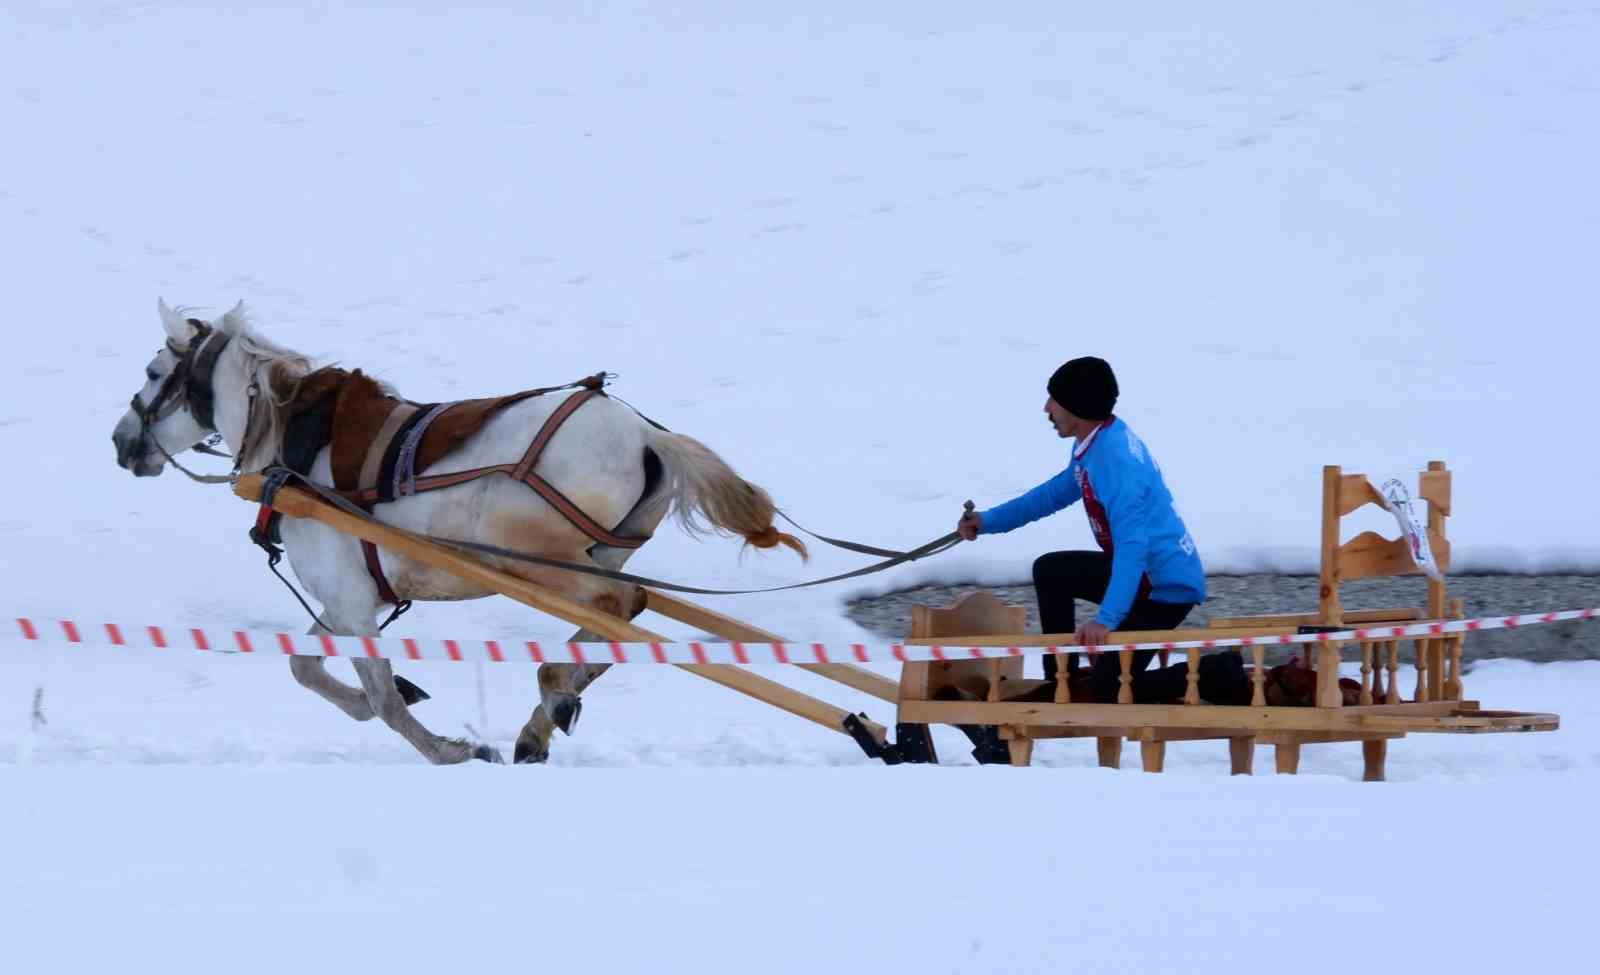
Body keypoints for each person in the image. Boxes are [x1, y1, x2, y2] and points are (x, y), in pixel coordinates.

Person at [957, 357, 1207, 703]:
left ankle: (1214, 673)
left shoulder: (1116, 462)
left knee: (1107, 690)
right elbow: (1055, 493)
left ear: (1077, 406)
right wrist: (988, 522)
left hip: (1164, 589)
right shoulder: (1097, 441)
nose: (1047, 408)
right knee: (1052, 570)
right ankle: (1064, 679)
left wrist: (1105, 620)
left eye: (1054, 400)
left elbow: (1133, 547)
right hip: (1142, 575)